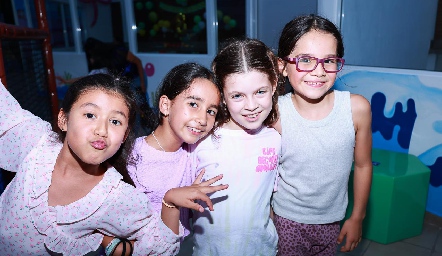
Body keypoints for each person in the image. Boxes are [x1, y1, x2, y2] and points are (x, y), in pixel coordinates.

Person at [0, 73, 228, 256]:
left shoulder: (117, 197)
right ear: (63, 119)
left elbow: (162, 248)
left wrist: (169, 203)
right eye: (90, 115)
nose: (102, 129)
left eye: (115, 121)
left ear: (124, 134)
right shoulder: (36, 141)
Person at [272, 14, 373, 255]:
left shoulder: (357, 109)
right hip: (285, 220)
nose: (318, 71)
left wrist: (357, 217)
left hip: (331, 222)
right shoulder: (274, 114)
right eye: (305, 60)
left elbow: (363, 166)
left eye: (329, 61)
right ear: (282, 66)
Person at [188, 38, 282, 255]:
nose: (251, 106)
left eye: (260, 92)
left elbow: (266, 201)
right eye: (237, 96)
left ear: (274, 85)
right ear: (222, 96)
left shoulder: (275, 139)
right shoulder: (201, 141)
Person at [127, 62, 221, 236]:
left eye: (211, 111)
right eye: (193, 104)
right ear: (165, 105)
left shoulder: (193, 150)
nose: (202, 119)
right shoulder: (133, 159)